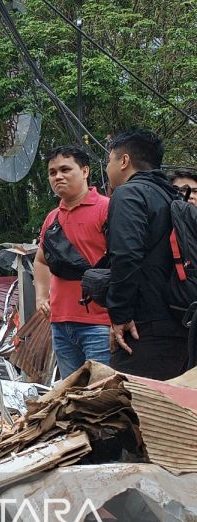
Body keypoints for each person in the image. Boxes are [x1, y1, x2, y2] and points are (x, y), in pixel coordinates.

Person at [104, 129, 189, 379]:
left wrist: (120, 315)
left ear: (124, 161)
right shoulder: (172, 196)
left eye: (109, 160)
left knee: (132, 408)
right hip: (179, 320)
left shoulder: (129, 194)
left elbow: (126, 256)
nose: (108, 168)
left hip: (144, 326)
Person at [32, 146, 111, 378]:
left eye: (66, 169)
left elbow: (125, 263)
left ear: (85, 171)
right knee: (71, 398)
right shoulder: (52, 218)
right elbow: (41, 261)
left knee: (102, 397)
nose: (58, 176)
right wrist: (41, 297)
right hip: (61, 323)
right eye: (52, 172)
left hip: (100, 322)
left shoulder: (107, 208)